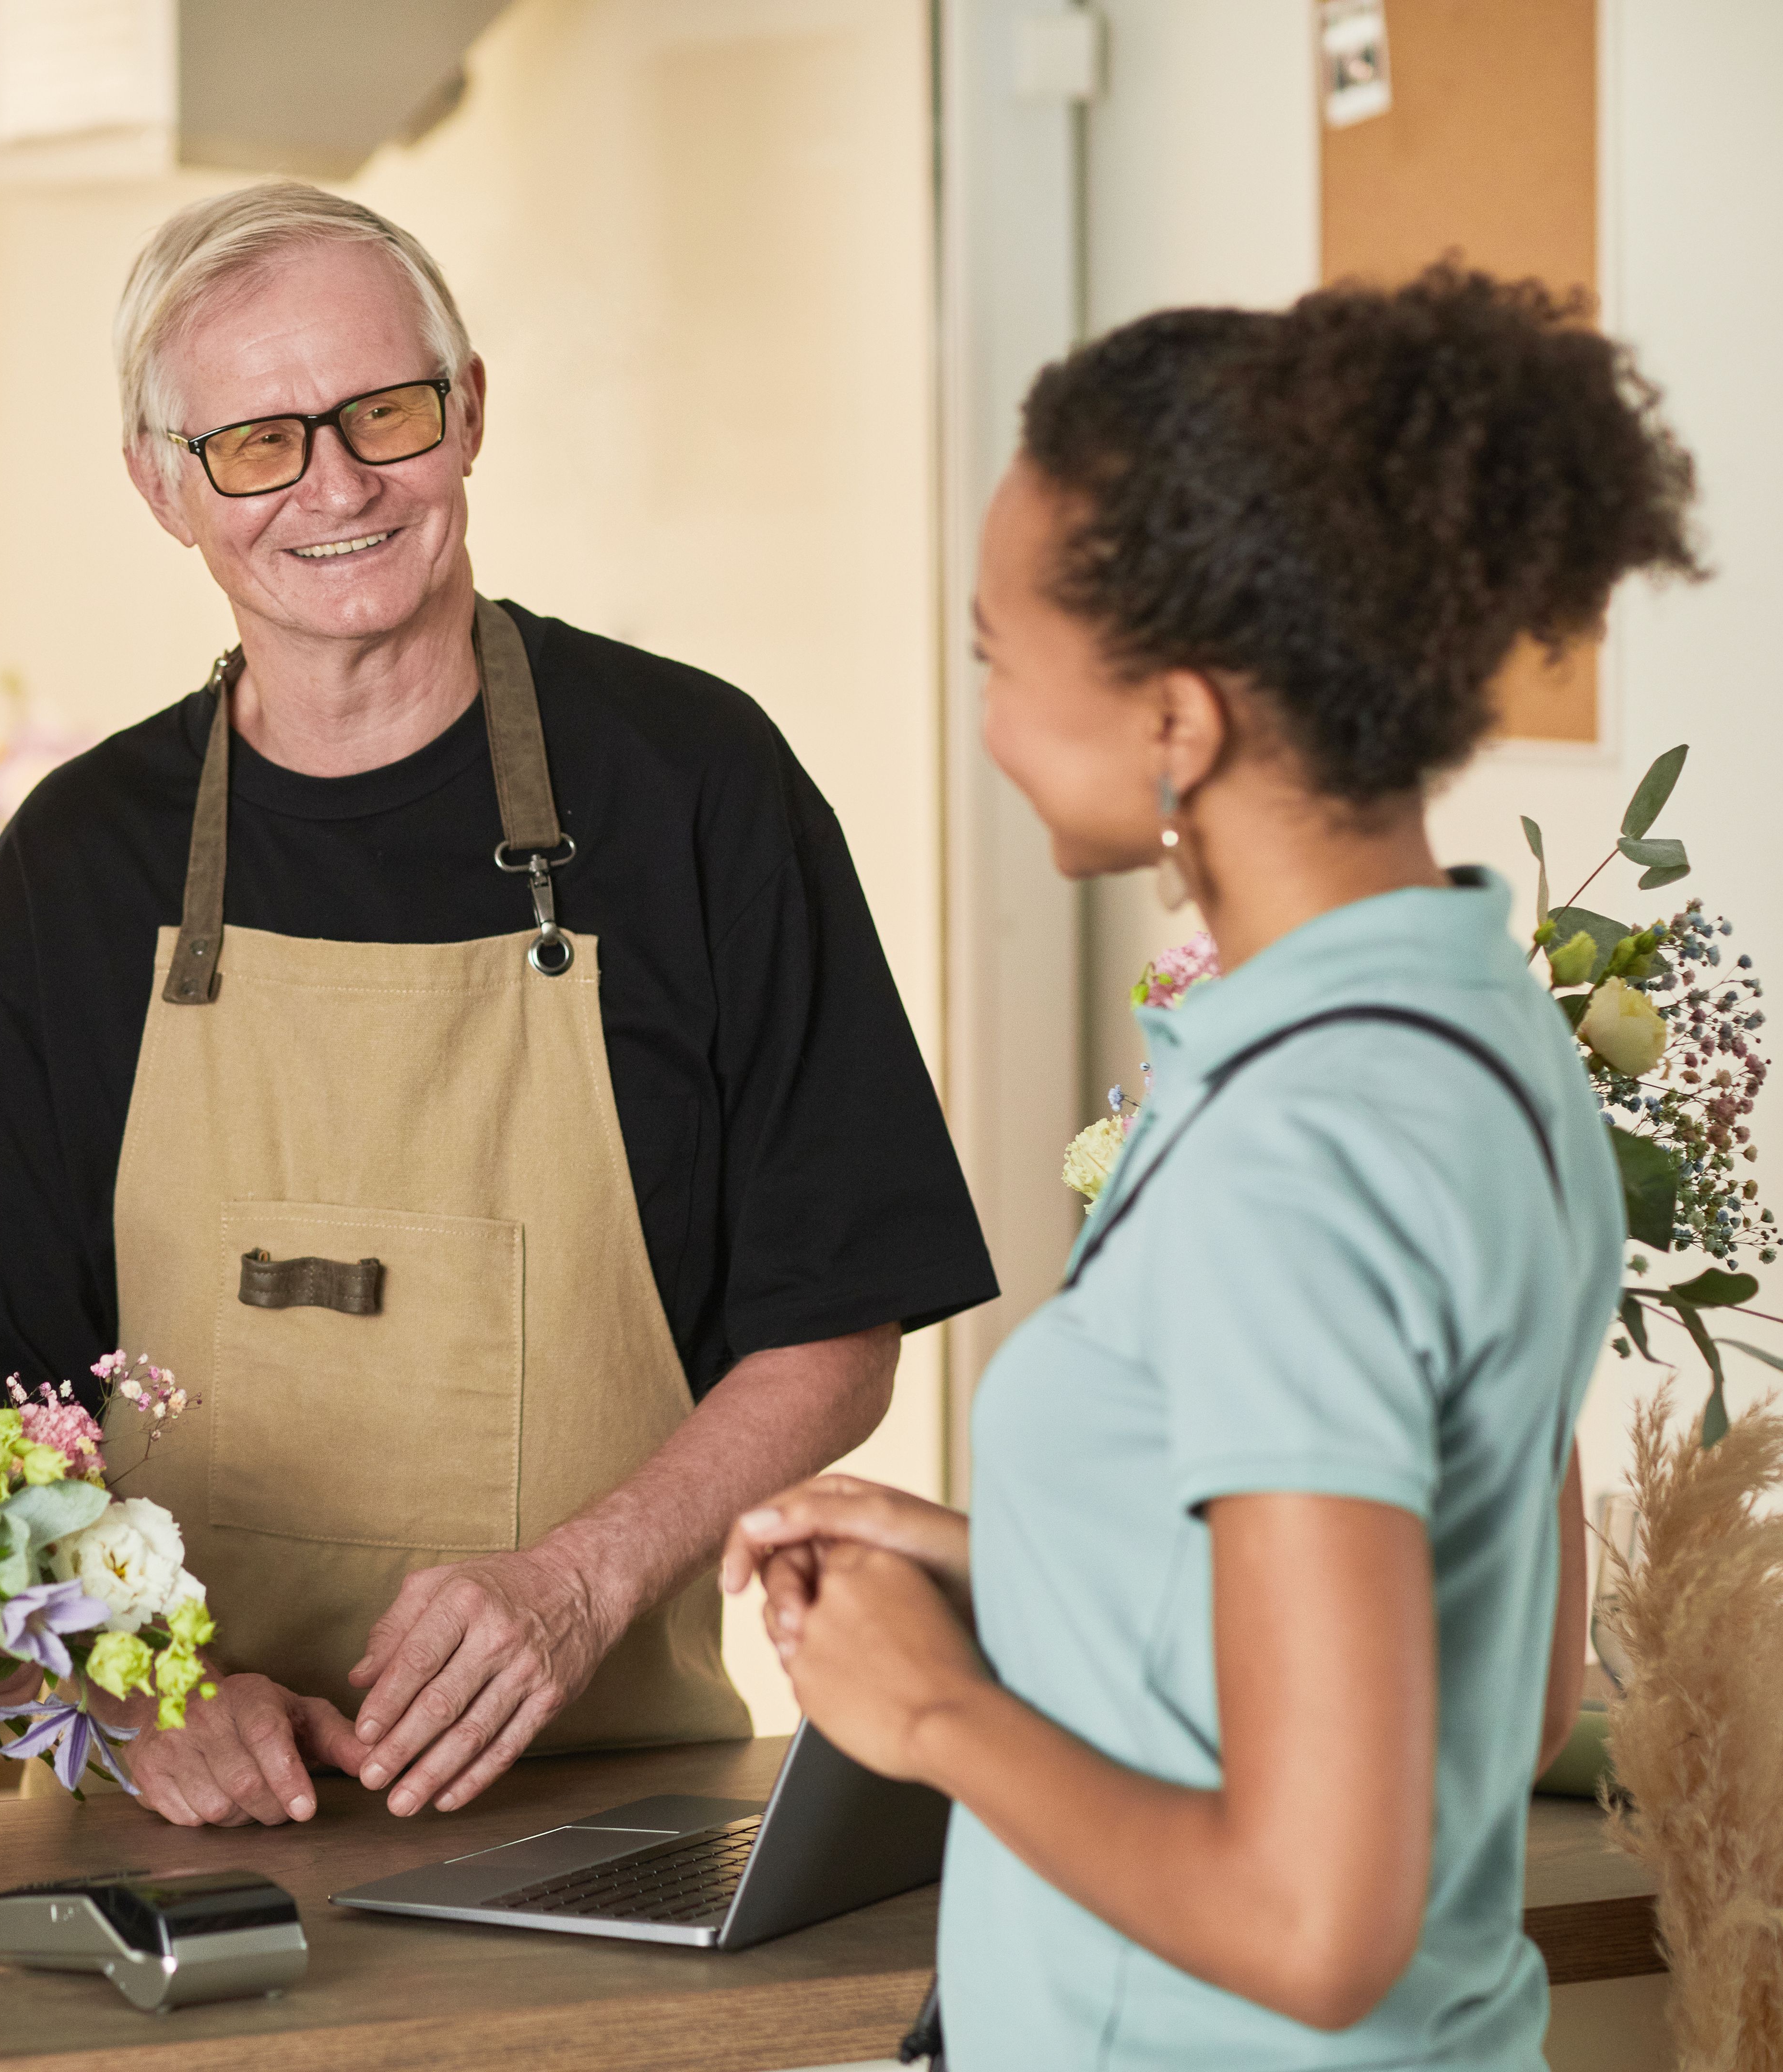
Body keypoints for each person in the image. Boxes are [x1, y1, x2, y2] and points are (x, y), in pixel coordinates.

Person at [0, 182, 996, 1829]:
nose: (337, 485)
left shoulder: (697, 786)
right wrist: (118, 1681)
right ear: (165, 489)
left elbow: (836, 1326)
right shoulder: (75, 871)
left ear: (469, 414)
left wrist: (582, 1586)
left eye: (384, 414)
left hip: (614, 1809)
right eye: (257, 442)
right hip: (185, 1833)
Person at [726, 269, 1698, 2065]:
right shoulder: (1470, 1026)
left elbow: (1316, 1929)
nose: (992, 721)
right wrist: (985, 1558)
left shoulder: (1299, 1160)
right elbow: (1506, 1668)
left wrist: (932, 1710)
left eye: (997, 660)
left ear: (1179, 724)